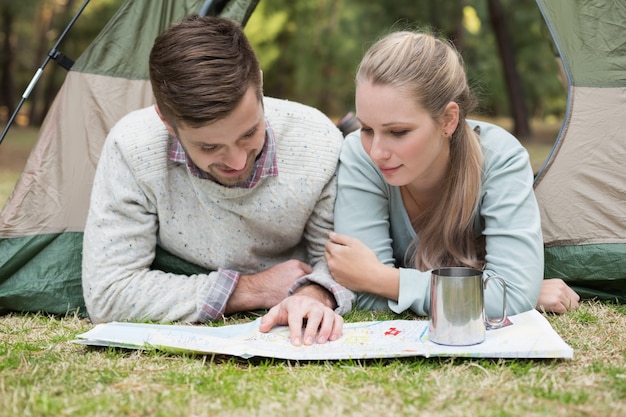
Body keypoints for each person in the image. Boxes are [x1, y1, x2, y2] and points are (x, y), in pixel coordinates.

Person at [82, 15, 354, 346]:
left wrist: (314, 293)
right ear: (167, 123)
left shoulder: (317, 142)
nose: (238, 161)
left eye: (249, 132)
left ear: (261, 86)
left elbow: (338, 263)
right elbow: (108, 292)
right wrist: (249, 289)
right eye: (209, 147)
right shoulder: (132, 148)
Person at [324, 30, 580, 318]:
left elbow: (514, 294)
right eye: (367, 129)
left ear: (448, 120)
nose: (377, 151)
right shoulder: (359, 155)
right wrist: (485, 294)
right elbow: (366, 295)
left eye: (398, 132)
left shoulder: (501, 158)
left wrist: (384, 280)